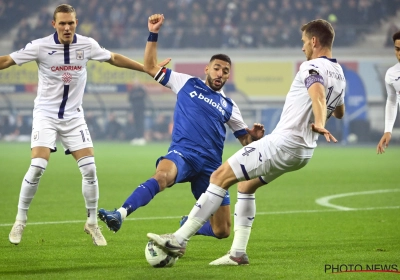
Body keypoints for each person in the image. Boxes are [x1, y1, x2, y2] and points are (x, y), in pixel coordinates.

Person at [147, 18, 346, 265]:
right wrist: (324, 117)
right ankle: (237, 254)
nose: (302, 47)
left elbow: (316, 93)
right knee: (246, 186)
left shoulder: (311, 67)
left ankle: (177, 239)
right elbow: (339, 110)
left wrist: (319, 120)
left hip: (284, 143)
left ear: (314, 41)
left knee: (218, 177)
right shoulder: (339, 74)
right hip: (304, 153)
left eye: (304, 42)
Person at [1, 4, 170, 246]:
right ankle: (20, 220)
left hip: (74, 117)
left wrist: (146, 68)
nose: (67, 27)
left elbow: (113, 58)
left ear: (76, 23)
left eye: (70, 23)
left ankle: (91, 223)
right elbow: (7, 59)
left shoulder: (87, 44)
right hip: (46, 115)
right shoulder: (39, 46)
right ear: (54, 24)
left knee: (90, 169)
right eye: (62, 23)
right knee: (38, 166)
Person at [98, 14, 264, 242]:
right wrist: (153, 33)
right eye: (217, 68)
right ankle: (120, 213)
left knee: (222, 230)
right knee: (162, 176)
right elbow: (148, 66)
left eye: (225, 71)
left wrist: (253, 137)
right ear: (207, 69)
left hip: (211, 167)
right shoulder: (186, 82)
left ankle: (189, 224)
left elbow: (245, 141)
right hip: (183, 153)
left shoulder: (229, 106)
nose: (220, 74)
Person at [377, 30, 400, 154]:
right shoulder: (391, 74)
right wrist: (388, 130)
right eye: (397, 49)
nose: (399, 53)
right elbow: (392, 101)